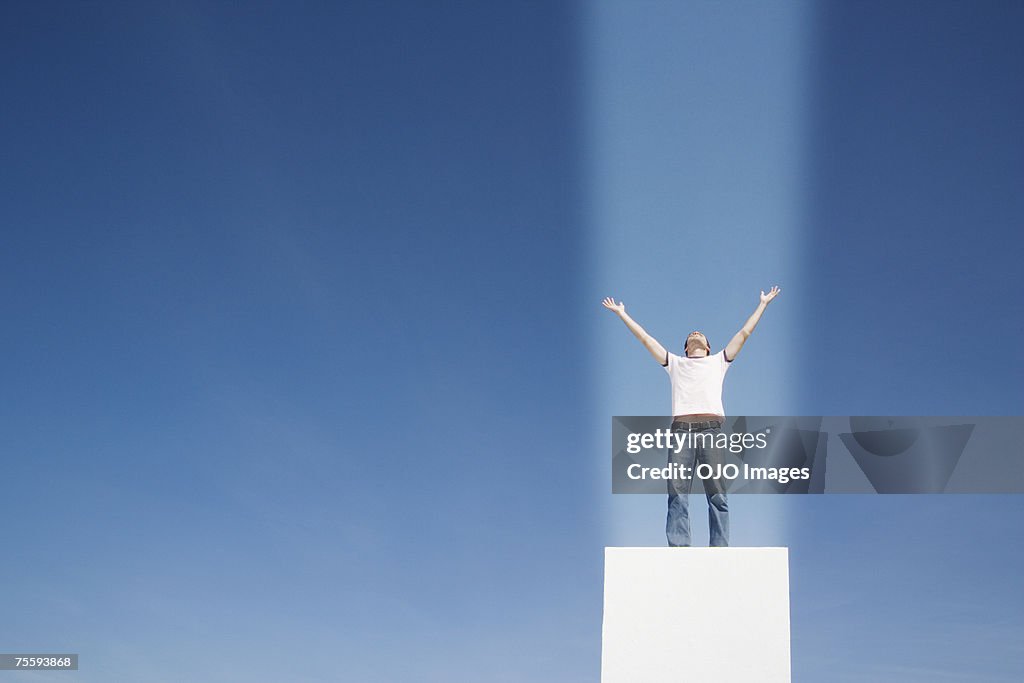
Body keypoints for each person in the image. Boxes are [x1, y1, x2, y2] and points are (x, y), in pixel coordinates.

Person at [602, 286, 781, 546]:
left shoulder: (719, 361)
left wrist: (763, 304)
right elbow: (645, 339)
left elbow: (744, 333)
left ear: (708, 347)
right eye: (691, 335)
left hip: (711, 432)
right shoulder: (675, 364)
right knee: (677, 492)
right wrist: (622, 314)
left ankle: (719, 548)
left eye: (700, 335)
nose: (695, 334)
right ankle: (679, 547)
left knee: (717, 493)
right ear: (687, 349)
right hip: (681, 433)